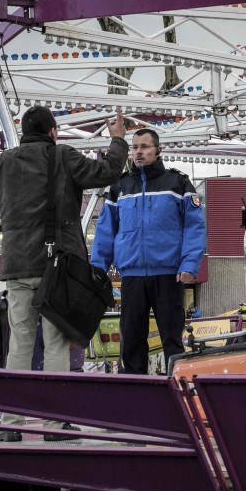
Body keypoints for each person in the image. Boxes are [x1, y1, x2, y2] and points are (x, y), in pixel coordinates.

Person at [0, 105, 128, 440]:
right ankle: (55, 424)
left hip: (17, 267)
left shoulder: (4, 163)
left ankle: (10, 426)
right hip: (58, 268)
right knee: (55, 344)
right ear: (53, 131)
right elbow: (107, 172)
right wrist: (117, 141)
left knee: (20, 344)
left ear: (24, 132)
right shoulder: (64, 156)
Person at [92, 128, 206, 374]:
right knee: (132, 341)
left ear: (158, 150)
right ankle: (134, 398)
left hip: (168, 275)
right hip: (132, 276)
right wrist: (98, 268)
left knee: (172, 342)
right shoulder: (120, 187)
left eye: (144, 147)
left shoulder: (178, 184)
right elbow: (105, 231)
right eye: (135, 147)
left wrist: (189, 265)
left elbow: (194, 227)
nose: (138, 152)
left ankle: (180, 393)